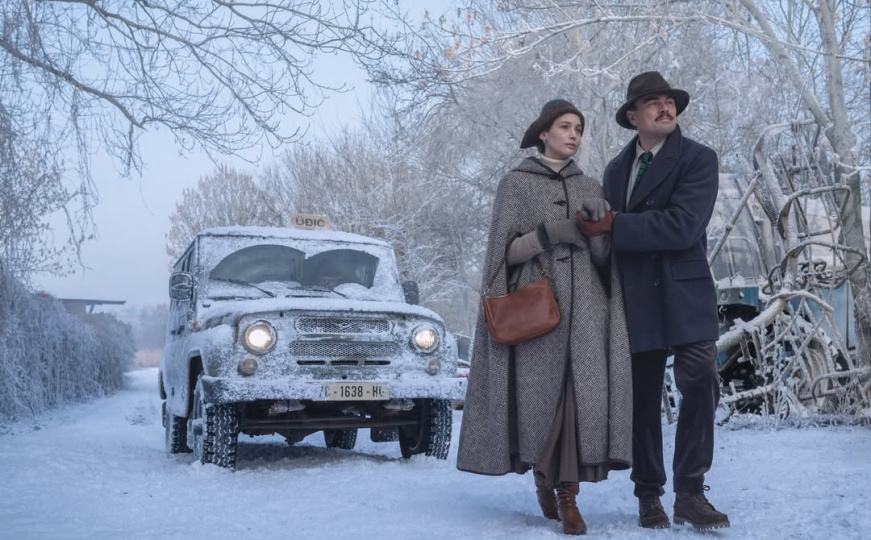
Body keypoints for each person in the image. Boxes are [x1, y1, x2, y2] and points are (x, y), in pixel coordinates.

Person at [457, 99, 632, 536]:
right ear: (543, 133)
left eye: (579, 129)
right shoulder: (515, 185)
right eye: (565, 127)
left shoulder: (590, 185)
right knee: (543, 404)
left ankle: (567, 495)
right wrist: (544, 235)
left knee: (577, 401)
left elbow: (604, 261)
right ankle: (543, 478)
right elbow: (502, 256)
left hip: (588, 313)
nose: (574, 135)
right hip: (537, 313)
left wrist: (598, 232)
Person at [578, 71, 730, 531]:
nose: (666, 108)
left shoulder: (699, 158)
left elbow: (683, 226)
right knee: (641, 398)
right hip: (635, 294)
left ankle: (690, 493)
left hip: (685, 293)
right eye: (653, 103)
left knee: (699, 382)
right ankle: (648, 495)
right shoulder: (615, 170)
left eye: (670, 101)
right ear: (633, 116)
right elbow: (607, 240)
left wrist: (616, 225)